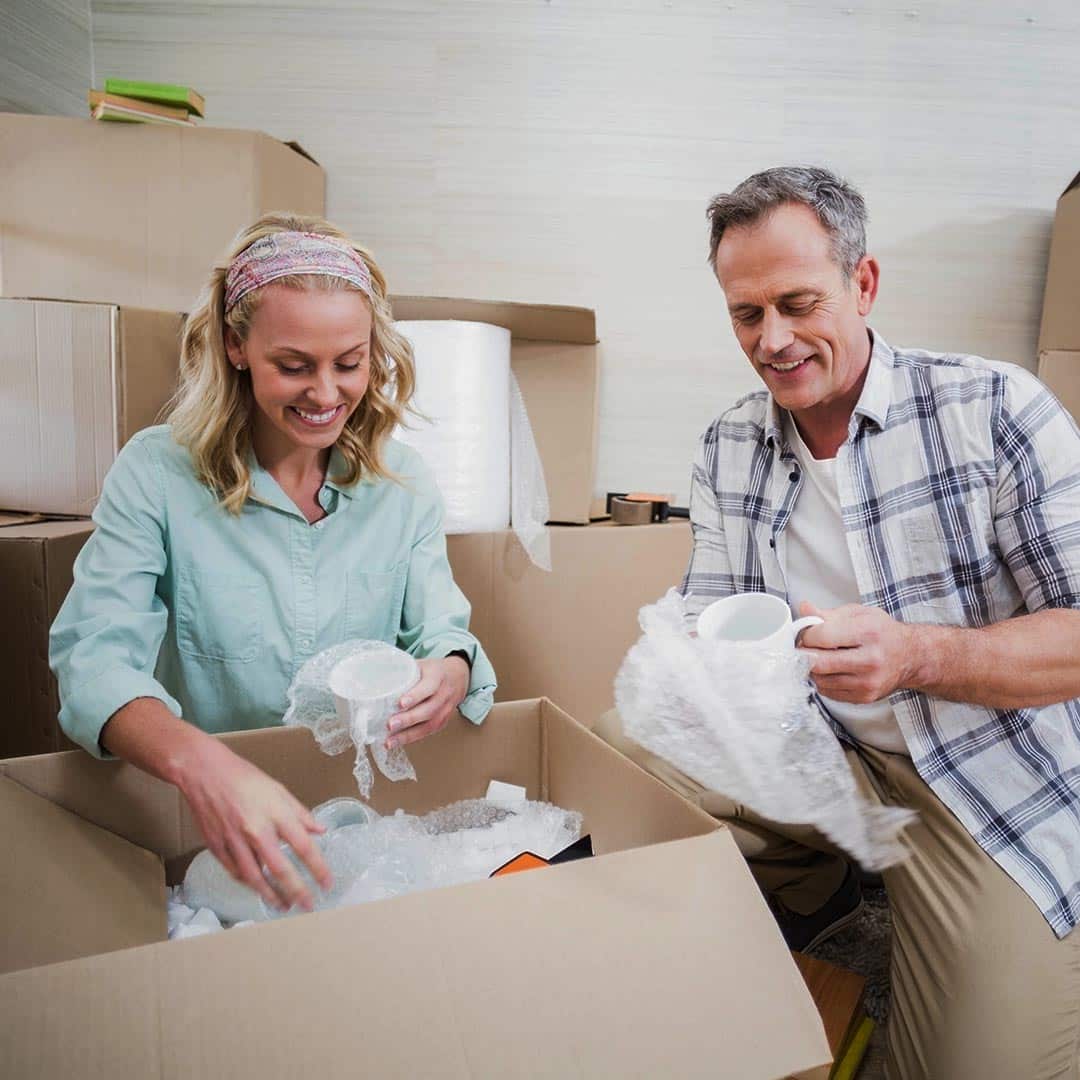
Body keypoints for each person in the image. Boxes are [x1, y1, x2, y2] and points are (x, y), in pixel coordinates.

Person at [597, 167, 1080, 1079]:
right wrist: (694, 657)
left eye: (797, 303)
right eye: (746, 315)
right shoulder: (731, 442)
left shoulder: (994, 409)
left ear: (863, 285)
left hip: (981, 776)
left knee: (977, 1064)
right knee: (622, 740)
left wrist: (916, 655)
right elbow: (714, 618)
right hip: (815, 747)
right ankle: (817, 888)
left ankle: (919, 911)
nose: (773, 341)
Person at [50, 214, 497, 916]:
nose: (326, 395)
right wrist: (205, 767)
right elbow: (92, 660)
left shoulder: (401, 484)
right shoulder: (156, 474)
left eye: (349, 362)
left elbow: (442, 629)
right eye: (293, 366)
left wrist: (449, 670)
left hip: (357, 827)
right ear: (235, 346)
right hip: (201, 830)